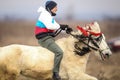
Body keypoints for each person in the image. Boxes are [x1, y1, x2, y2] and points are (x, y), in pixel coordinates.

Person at [35, 0, 72, 80]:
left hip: (48, 38)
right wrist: (61, 26)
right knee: (59, 52)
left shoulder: (49, 16)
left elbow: (56, 26)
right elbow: (50, 26)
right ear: (50, 8)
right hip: (44, 39)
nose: (57, 9)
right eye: (55, 7)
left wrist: (66, 30)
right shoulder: (44, 15)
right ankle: (55, 73)